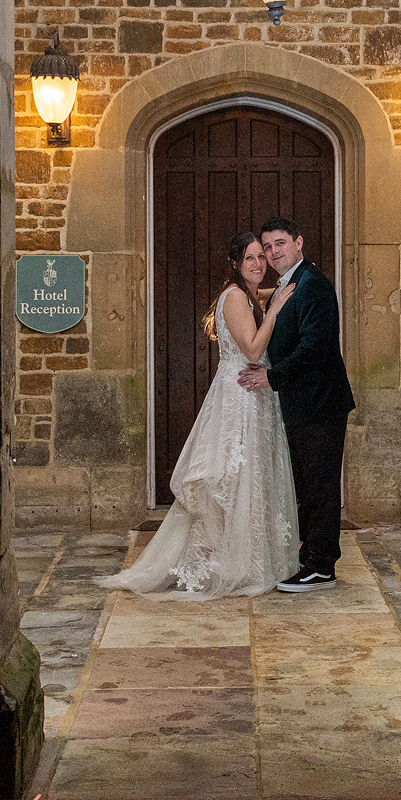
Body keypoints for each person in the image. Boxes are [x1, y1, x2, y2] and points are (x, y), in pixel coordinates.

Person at [98, 233, 301, 598]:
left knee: (248, 478)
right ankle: (229, 563)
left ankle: (246, 557)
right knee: (232, 477)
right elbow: (254, 350)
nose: (258, 264)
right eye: (250, 258)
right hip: (239, 399)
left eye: (261, 257)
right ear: (236, 264)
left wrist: (282, 289)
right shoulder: (236, 297)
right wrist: (274, 310)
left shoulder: (249, 294)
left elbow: (270, 295)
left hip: (252, 398)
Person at [238, 216, 356, 590]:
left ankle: (321, 565)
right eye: (267, 247)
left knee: (320, 486)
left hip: (320, 402)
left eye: (279, 244)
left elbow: (315, 347)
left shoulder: (313, 285)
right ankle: (309, 557)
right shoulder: (286, 285)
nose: (272, 253)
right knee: (306, 484)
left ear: (299, 242)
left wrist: (271, 377)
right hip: (300, 403)